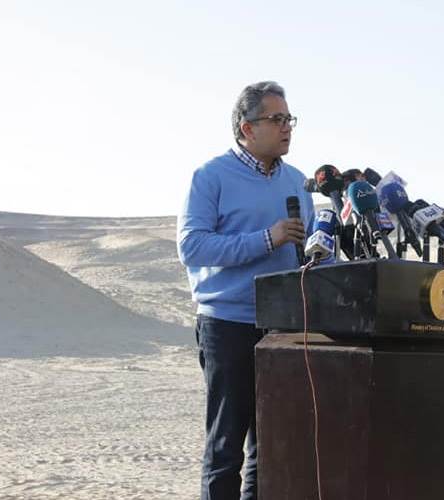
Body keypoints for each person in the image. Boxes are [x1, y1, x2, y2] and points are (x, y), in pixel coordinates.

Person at [177, 81, 314, 500]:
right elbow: (192, 247)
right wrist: (267, 239)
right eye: (277, 119)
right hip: (228, 325)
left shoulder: (298, 182)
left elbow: (308, 252)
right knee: (226, 449)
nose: (286, 127)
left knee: (268, 449)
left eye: (289, 119)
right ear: (247, 128)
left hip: (283, 327)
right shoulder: (211, 176)